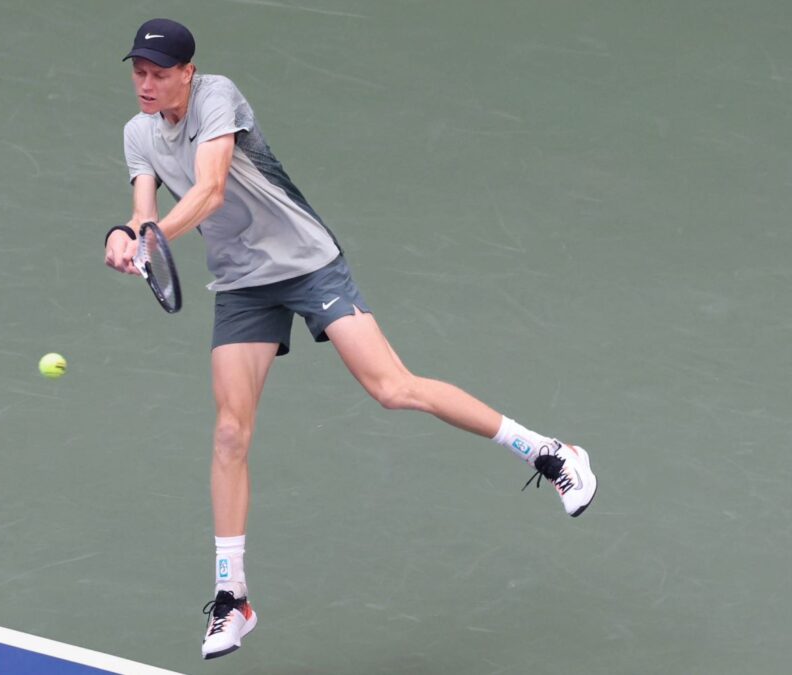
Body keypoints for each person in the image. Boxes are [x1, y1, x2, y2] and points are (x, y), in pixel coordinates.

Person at [103, 18, 598, 661]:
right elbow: (144, 209)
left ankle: (549, 452)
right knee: (230, 432)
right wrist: (125, 234)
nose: (146, 84)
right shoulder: (137, 133)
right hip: (241, 285)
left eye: (159, 73)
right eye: (138, 72)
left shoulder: (217, 96)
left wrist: (155, 238)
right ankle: (234, 597)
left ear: (187, 73)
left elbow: (211, 186)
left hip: (308, 263)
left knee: (393, 388)